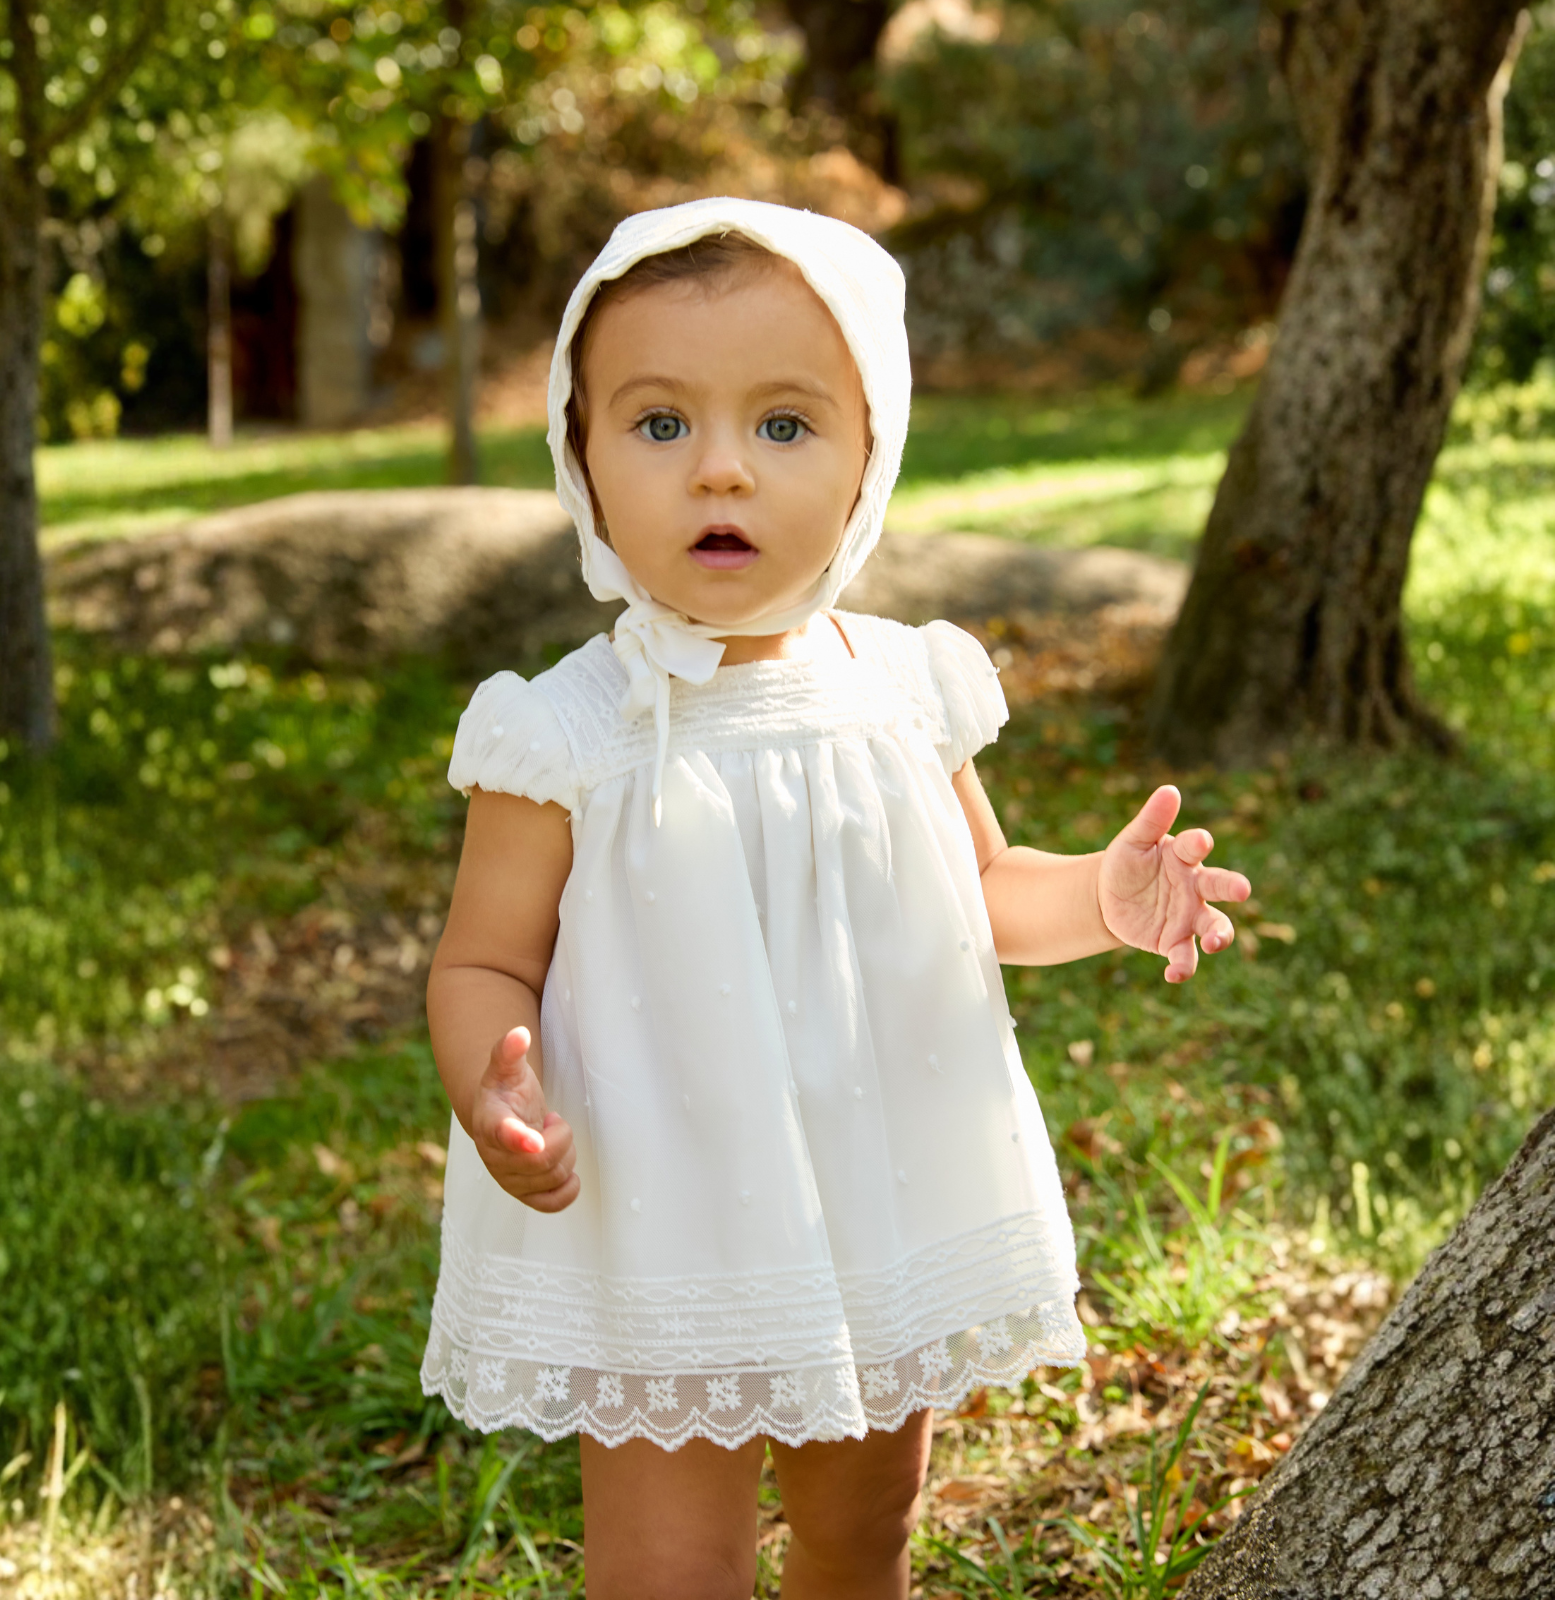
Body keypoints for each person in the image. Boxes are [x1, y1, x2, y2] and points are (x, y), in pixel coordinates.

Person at [422, 197, 1250, 1599]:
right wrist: (492, 1094)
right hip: (664, 1206)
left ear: (874, 455)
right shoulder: (564, 732)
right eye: (660, 424)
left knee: (865, 1531)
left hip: (878, 1189)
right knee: (668, 1570)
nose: (721, 474)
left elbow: (986, 890)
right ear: (582, 455)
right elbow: (480, 965)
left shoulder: (903, 688)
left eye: (785, 426)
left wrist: (1104, 897)